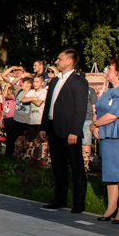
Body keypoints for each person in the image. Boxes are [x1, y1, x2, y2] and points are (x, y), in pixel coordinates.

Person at [41, 48, 90, 213]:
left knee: (76, 167)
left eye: (59, 59)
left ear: (69, 61)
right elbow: (49, 105)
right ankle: (60, 198)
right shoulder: (54, 81)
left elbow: (80, 109)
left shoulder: (78, 81)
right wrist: (44, 127)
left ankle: (79, 202)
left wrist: (75, 131)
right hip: (54, 129)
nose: (56, 62)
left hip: (70, 132)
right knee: (58, 166)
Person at [91, 58, 119, 224]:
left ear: (118, 72)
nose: (106, 71)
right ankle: (111, 207)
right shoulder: (109, 91)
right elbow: (100, 110)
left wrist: (95, 124)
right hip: (106, 135)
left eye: (109, 69)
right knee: (110, 173)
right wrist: (95, 125)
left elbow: (115, 114)